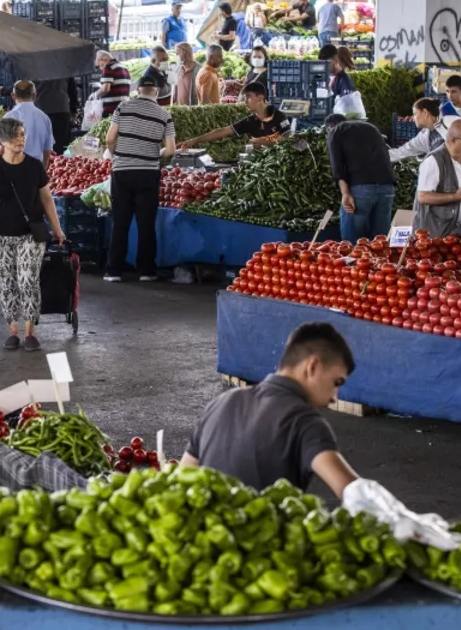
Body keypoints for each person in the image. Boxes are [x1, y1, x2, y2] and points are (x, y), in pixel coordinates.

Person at [183, 322, 360, 497]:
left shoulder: (220, 403)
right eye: (336, 383)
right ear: (312, 366)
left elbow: (181, 480)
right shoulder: (305, 422)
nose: (334, 397)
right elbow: (354, 492)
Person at [0, 117, 65, 352]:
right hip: (0, 235)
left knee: (28, 281)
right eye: (15, 136)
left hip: (30, 234)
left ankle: (30, 332)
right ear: (2, 140)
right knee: (7, 283)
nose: (20, 140)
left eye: (23, 135)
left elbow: (46, 198)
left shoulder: (34, 166)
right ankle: (12, 330)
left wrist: (56, 227)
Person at [104, 74, 176, 283]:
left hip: (122, 171)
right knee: (146, 223)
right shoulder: (164, 114)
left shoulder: (122, 108)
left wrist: (117, 153)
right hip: (147, 172)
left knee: (120, 221)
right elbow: (170, 149)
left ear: (138, 89)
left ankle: (114, 271)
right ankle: (146, 271)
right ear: (156, 91)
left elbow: (110, 138)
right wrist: (157, 153)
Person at [326, 114, 395, 241]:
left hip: (361, 189)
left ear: (329, 127)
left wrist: (345, 193)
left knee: (352, 244)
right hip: (387, 188)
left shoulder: (335, 131)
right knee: (380, 242)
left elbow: (337, 166)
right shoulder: (371, 127)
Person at [414, 119, 461, 238]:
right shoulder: (433, 161)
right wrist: (455, 197)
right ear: (453, 140)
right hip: (437, 235)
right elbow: (423, 197)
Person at [181, 82, 290, 149]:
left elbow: (289, 139)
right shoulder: (250, 121)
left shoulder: (278, 116)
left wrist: (266, 142)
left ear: (260, 98)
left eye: (248, 97)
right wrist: (193, 141)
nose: (245, 101)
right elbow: (222, 131)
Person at [389, 98, 457, 161]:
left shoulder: (452, 123)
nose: (413, 117)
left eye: (415, 113)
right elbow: (403, 151)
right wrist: (381, 155)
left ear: (425, 113)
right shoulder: (424, 135)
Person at [4, 81, 55, 163]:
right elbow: (47, 150)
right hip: (36, 167)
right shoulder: (44, 118)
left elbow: (4, 148)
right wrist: (43, 169)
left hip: (13, 167)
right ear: (34, 95)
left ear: (13, 96)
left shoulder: (8, 117)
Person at [33, 78, 77, 154]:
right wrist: (73, 110)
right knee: (62, 146)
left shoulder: (33, 67)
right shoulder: (65, 66)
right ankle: (61, 164)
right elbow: (72, 89)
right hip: (61, 109)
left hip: (41, 109)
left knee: (42, 147)